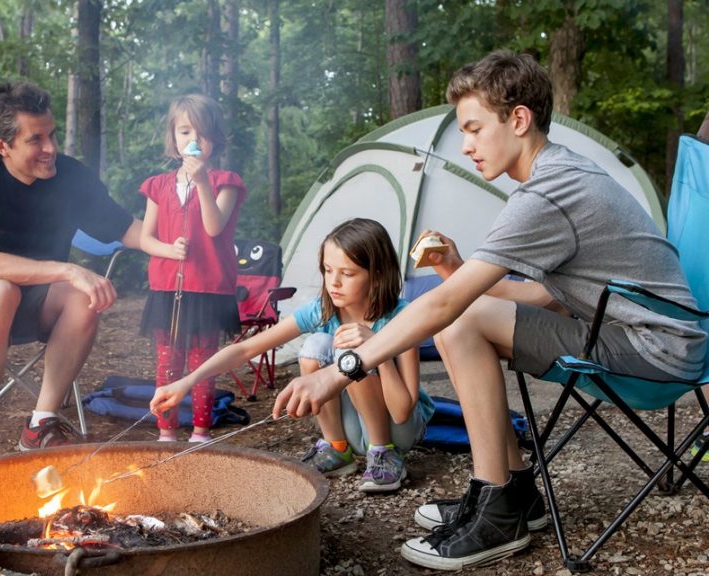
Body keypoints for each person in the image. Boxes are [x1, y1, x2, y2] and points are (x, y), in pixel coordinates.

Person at [272, 51, 706, 571]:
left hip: (654, 354)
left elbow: (453, 305)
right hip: (644, 340)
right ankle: (514, 491)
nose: (467, 145)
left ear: (518, 119)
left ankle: (497, 506)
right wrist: (456, 266)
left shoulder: (550, 191)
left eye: (474, 128)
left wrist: (344, 369)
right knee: (466, 318)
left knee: (460, 320)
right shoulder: (561, 174)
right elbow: (539, 299)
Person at [0, 81, 142, 466]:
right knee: (0, 292)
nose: (51, 149)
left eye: (53, 135)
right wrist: (68, 269)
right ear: (1, 145)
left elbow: (129, 229)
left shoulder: (70, 176)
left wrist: (185, 241)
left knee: (82, 295)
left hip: (39, 295)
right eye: (36, 140)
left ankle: (41, 424)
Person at [152, 218, 433, 491]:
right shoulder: (323, 310)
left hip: (399, 432)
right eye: (327, 270)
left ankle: (383, 455)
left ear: (378, 274)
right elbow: (246, 349)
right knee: (317, 345)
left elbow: (401, 412)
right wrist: (186, 382)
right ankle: (337, 450)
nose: (334, 282)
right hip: (356, 426)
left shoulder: (401, 317)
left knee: (351, 349)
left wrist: (376, 348)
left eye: (347, 274)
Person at [138, 94, 246, 443]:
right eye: (185, 132)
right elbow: (145, 239)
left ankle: (200, 431)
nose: (193, 142)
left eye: (202, 134)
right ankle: (166, 430)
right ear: (173, 137)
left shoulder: (225, 181)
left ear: (215, 140)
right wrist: (169, 250)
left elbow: (214, 227)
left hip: (209, 286)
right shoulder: (158, 185)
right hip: (167, 287)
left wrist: (201, 181)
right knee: (168, 360)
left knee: (202, 362)